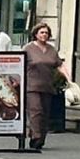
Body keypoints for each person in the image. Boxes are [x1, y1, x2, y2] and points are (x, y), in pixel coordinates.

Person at [21, 23, 67, 151]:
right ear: (36, 34)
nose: (44, 35)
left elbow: (59, 65)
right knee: (36, 110)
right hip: (32, 85)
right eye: (42, 32)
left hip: (47, 85)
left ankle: (40, 139)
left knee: (45, 114)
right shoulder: (28, 48)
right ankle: (36, 136)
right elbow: (19, 63)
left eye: (46, 33)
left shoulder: (52, 50)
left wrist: (68, 78)